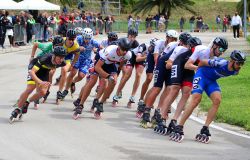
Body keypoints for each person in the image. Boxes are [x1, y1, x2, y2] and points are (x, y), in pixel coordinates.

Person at [170, 50, 246, 143]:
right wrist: (198, 72)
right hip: (201, 75)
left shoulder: (235, 71)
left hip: (211, 81)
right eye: (239, 63)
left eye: (242, 64)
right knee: (196, 100)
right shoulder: (220, 63)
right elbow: (202, 62)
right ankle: (180, 126)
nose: (240, 66)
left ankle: (205, 128)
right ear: (232, 61)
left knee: (217, 100)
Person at [73, 38, 132, 120]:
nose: (125, 52)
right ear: (119, 47)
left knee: (113, 82)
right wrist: (108, 76)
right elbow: (97, 67)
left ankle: (100, 103)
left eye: (127, 50)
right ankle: (81, 105)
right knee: (92, 81)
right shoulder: (110, 51)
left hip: (110, 63)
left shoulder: (128, 54)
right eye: (123, 49)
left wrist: (116, 74)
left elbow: (121, 63)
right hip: (99, 61)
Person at [154, 37, 202, 135]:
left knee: (187, 93)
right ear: (189, 46)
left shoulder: (201, 54)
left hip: (188, 71)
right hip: (178, 66)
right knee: (174, 91)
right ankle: (162, 117)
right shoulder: (180, 49)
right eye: (194, 47)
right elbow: (168, 64)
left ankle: (174, 120)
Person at [9, 46, 67, 123]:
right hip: (34, 69)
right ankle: (18, 109)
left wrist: (52, 80)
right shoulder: (45, 59)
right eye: (59, 58)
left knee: (43, 92)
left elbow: (56, 69)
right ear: (54, 56)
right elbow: (32, 72)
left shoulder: (62, 62)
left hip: (44, 71)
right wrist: (40, 82)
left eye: (63, 57)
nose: (61, 60)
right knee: (30, 88)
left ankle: (27, 102)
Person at [61, 28, 100, 99]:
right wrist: (79, 47)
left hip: (86, 60)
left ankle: (72, 82)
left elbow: (100, 47)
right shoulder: (78, 39)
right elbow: (72, 44)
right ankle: (65, 90)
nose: (87, 40)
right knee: (73, 72)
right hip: (77, 57)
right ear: (83, 36)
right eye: (85, 38)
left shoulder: (93, 41)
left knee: (81, 75)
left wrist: (97, 50)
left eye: (88, 38)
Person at [30, 35, 64, 107]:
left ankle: (46, 90)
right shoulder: (47, 46)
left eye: (61, 45)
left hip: (50, 64)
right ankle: (36, 98)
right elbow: (35, 44)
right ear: (53, 44)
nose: (59, 47)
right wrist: (32, 56)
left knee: (50, 74)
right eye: (57, 45)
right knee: (38, 79)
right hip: (41, 62)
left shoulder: (60, 50)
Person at [56, 29, 80, 104]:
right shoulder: (61, 41)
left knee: (64, 70)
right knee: (50, 71)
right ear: (66, 37)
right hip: (59, 56)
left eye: (73, 39)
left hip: (68, 58)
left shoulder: (76, 45)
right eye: (69, 39)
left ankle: (59, 92)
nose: (71, 41)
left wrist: (72, 65)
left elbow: (76, 56)